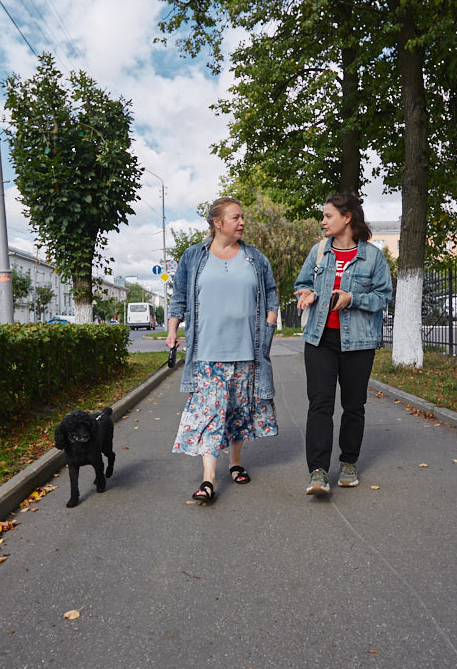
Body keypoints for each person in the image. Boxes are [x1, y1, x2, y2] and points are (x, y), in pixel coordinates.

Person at [167, 197, 279, 504]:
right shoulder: (193, 257)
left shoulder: (255, 258)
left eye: (242, 217)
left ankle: (236, 462)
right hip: (207, 352)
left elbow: (271, 294)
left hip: (247, 350)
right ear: (217, 223)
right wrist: (173, 330)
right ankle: (208, 480)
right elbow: (178, 297)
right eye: (235, 217)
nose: (242, 222)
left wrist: (269, 323)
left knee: (238, 411)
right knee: (209, 413)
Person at [293, 193, 393, 496]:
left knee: (353, 405)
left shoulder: (373, 257)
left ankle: (348, 462)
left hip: (359, 342)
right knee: (320, 404)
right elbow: (302, 283)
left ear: (346, 217)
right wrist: (306, 293)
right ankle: (318, 472)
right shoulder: (319, 252)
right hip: (320, 339)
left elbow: (383, 296)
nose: (323, 221)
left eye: (328, 216)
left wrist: (353, 299)